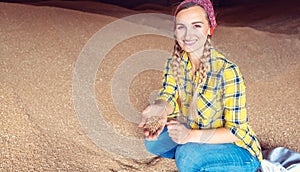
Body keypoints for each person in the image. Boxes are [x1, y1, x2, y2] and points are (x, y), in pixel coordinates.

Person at [138, 0, 263, 171]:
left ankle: (202, 158)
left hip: (239, 150)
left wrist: (189, 136)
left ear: (210, 29)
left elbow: (236, 132)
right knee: (154, 142)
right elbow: (169, 95)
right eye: (181, 27)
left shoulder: (227, 72)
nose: (188, 35)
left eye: (196, 26)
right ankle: (199, 154)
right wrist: (160, 108)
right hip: (198, 131)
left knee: (188, 156)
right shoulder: (175, 63)